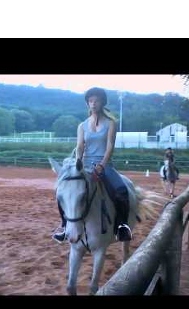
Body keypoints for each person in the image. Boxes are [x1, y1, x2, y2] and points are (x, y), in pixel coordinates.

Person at [52, 87, 132, 243]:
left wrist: (102, 165)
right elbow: (80, 146)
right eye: (90, 101)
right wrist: (78, 161)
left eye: (96, 101)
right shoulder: (82, 126)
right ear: (87, 103)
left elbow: (110, 146)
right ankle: (64, 226)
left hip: (104, 165)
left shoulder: (111, 123)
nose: (93, 104)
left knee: (121, 190)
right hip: (86, 165)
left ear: (102, 103)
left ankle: (122, 226)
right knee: (64, 192)